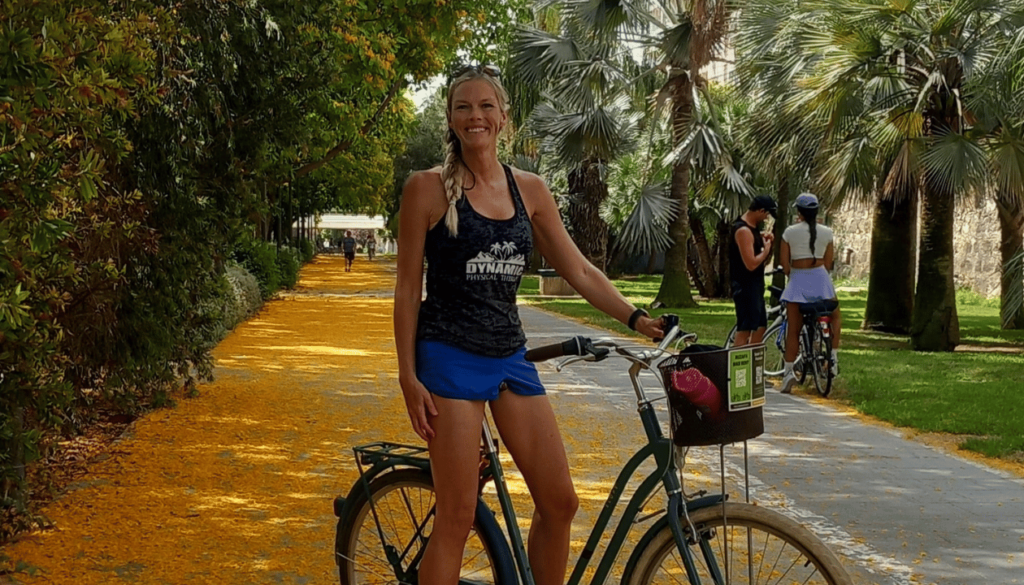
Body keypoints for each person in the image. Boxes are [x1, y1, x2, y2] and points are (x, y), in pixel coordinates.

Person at [393, 65, 666, 585]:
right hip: (448, 356)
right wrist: (408, 375)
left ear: (504, 118)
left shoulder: (531, 190)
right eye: (463, 107)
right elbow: (407, 290)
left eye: (485, 106)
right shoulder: (425, 189)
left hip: (509, 356)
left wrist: (635, 318)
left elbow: (579, 269)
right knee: (457, 514)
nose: (475, 116)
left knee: (560, 502)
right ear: (450, 119)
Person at [779, 193, 842, 393]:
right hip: (820, 280)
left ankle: (788, 373)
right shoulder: (827, 233)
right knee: (835, 316)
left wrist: (792, 275)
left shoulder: (789, 232)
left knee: (794, 330)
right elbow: (828, 262)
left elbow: (785, 264)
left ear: (799, 212)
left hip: (798, 280)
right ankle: (833, 357)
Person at [729, 195, 777, 347]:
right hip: (745, 287)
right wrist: (766, 250)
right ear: (761, 211)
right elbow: (751, 263)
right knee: (745, 328)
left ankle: (753, 357)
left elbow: (753, 244)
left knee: (760, 326)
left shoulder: (752, 229)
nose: (766, 218)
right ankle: (737, 358)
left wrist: (763, 238)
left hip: (755, 285)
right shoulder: (743, 230)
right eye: (767, 214)